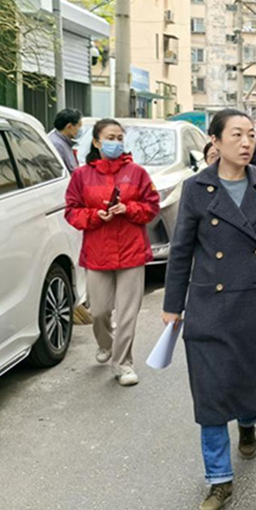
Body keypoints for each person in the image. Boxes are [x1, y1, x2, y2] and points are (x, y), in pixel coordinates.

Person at [162, 109, 256, 510]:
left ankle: (249, 423)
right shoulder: (196, 188)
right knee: (212, 394)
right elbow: (181, 251)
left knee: (250, 383)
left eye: (250, 134)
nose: (246, 142)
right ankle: (219, 479)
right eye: (236, 135)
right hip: (209, 306)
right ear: (215, 142)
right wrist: (172, 305)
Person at [64, 118, 160, 386]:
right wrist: (96, 215)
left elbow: (152, 207)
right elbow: (71, 211)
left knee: (128, 313)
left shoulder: (137, 173)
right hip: (98, 252)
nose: (115, 143)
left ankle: (123, 363)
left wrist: (129, 209)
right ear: (96, 142)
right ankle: (106, 343)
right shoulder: (82, 176)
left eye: (119, 138)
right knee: (99, 312)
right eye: (110, 138)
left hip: (132, 251)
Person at [48, 108, 83, 173]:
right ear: (69, 126)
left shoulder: (65, 143)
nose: (80, 130)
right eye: (79, 126)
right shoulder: (57, 145)